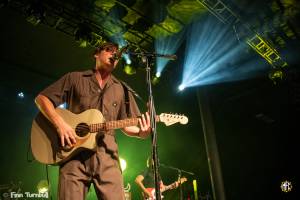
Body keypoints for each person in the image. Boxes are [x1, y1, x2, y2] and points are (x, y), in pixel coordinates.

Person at [34, 42, 152, 200]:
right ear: (96, 54)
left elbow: (126, 125)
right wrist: (60, 124)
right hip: (73, 157)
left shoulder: (122, 89)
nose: (114, 55)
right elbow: (42, 99)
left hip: (107, 157)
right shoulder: (74, 78)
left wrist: (142, 133)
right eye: (109, 50)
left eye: (116, 53)